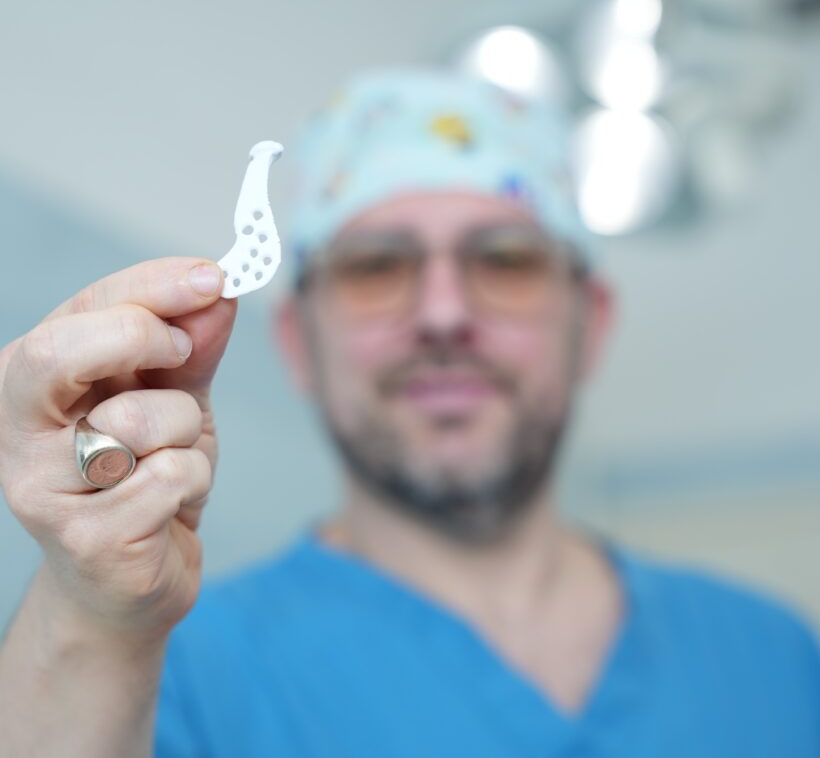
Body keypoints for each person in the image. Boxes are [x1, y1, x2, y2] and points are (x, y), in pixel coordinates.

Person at [0, 68, 818, 758]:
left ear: (590, 325)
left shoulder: (774, 661)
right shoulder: (164, 676)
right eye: (376, 266)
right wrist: (96, 614)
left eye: (505, 259)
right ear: (297, 342)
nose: (443, 314)